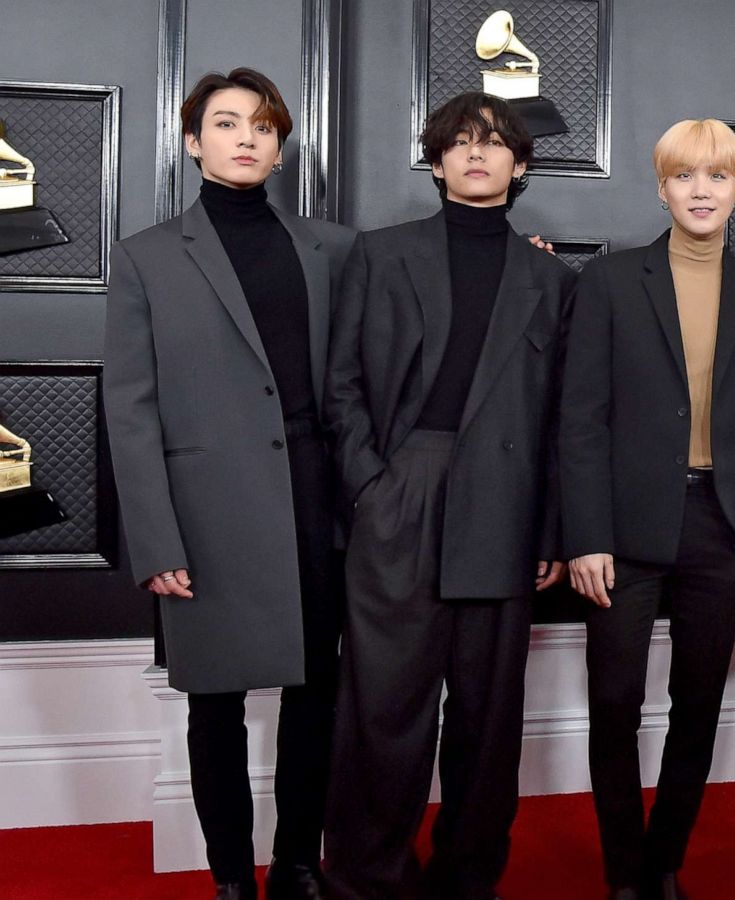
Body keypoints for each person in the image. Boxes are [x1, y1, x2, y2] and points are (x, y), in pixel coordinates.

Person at [103, 67, 355, 900]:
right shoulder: (144, 258)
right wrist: (155, 541)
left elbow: (412, 313)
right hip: (201, 520)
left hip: (315, 507)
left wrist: (524, 259)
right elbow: (129, 411)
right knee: (212, 707)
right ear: (192, 140)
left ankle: (296, 867)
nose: (246, 136)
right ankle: (229, 881)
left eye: (263, 125)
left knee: (316, 697)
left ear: (281, 147)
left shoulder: (334, 249)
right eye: (225, 122)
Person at [320, 92, 575, 900]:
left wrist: (548, 529)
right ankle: (365, 882)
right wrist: (371, 485)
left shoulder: (550, 277)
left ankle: (469, 880)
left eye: (495, 143)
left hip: (504, 507)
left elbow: (564, 418)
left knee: (487, 722)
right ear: (436, 162)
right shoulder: (380, 253)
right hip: (402, 491)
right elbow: (342, 386)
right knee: (382, 711)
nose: (476, 154)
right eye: (460, 143)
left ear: (520, 164)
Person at [560, 118, 735, 900]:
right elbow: (581, 417)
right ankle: (624, 872)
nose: (702, 190)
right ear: (662, 187)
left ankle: (664, 865)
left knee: (697, 706)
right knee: (614, 702)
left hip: (721, 527)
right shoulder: (609, 281)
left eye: (718, 176)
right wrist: (586, 535)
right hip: (621, 531)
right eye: (686, 176)